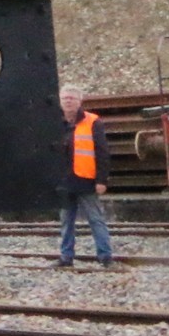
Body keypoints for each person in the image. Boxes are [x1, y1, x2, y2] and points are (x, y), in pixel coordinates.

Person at [58, 88, 114, 267]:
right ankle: (66, 257)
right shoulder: (53, 122)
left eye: (72, 98)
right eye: (65, 98)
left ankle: (105, 257)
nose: (68, 101)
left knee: (96, 220)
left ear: (79, 101)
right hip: (64, 182)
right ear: (60, 101)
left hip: (86, 181)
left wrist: (101, 180)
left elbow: (102, 153)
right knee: (66, 222)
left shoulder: (93, 122)